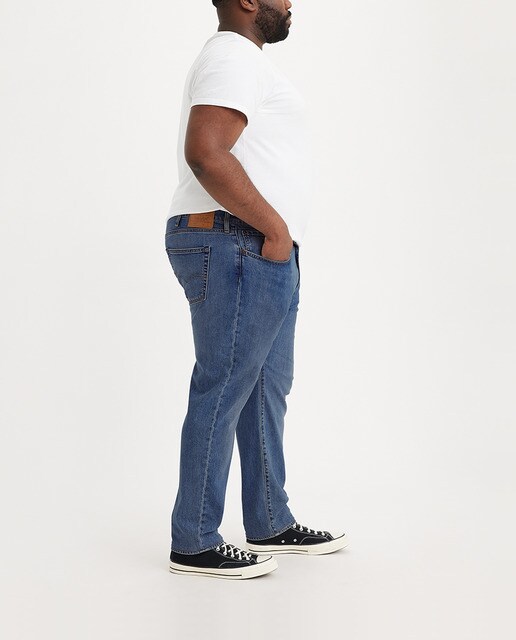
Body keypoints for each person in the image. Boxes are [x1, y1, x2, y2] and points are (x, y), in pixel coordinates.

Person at [164, 0, 348, 580]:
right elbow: (205, 151)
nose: (291, 3)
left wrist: (278, 238)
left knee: (266, 387)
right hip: (236, 240)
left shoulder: (245, 61)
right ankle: (195, 540)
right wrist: (274, 229)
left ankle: (269, 519)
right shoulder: (233, 57)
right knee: (224, 385)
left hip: (252, 243)